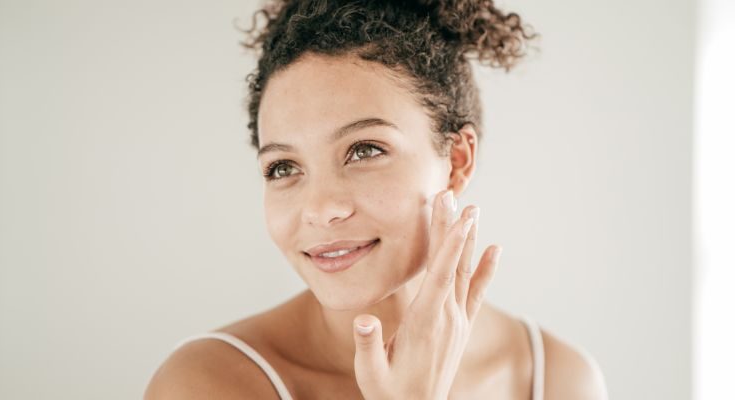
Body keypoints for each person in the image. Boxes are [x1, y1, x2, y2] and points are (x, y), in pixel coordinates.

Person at [145, 0, 608, 398]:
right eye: (283, 168)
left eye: (365, 150)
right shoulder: (207, 384)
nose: (321, 208)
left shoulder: (560, 381)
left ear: (458, 160)